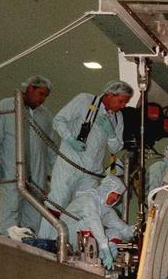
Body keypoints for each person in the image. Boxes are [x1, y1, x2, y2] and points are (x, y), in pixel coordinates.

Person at [39, 80, 133, 232]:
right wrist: (70, 139)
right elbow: (58, 120)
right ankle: (44, 240)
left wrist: (111, 134)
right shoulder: (84, 100)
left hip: (91, 173)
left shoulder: (117, 118)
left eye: (125, 103)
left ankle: (71, 245)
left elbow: (116, 147)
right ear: (109, 95)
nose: (122, 106)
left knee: (86, 209)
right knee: (57, 203)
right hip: (69, 164)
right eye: (121, 101)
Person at [0, 75, 54, 235]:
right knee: (12, 202)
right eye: (41, 93)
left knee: (34, 206)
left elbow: (51, 145)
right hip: (11, 165)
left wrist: (55, 171)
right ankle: (7, 236)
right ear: (30, 88)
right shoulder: (7, 105)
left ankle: (29, 239)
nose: (43, 99)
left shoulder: (45, 115)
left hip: (37, 169)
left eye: (46, 96)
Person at [64, 173, 134, 267]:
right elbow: (94, 222)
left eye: (118, 196)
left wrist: (136, 231)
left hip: (84, 240)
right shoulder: (89, 199)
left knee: (116, 233)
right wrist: (106, 250)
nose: (116, 198)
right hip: (68, 236)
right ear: (106, 190)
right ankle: (86, 259)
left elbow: (121, 227)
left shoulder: (106, 209)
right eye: (114, 194)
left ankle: (104, 263)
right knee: (90, 226)